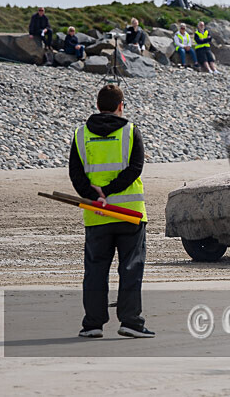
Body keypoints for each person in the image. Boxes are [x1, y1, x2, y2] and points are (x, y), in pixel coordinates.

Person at [69, 84, 153, 339]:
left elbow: (76, 174)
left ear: (97, 106)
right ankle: (131, 322)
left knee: (95, 270)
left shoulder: (81, 134)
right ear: (121, 106)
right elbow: (135, 168)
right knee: (130, 268)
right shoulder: (130, 132)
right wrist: (111, 190)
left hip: (97, 214)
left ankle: (93, 324)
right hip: (129, 213)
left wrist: (96, 194)